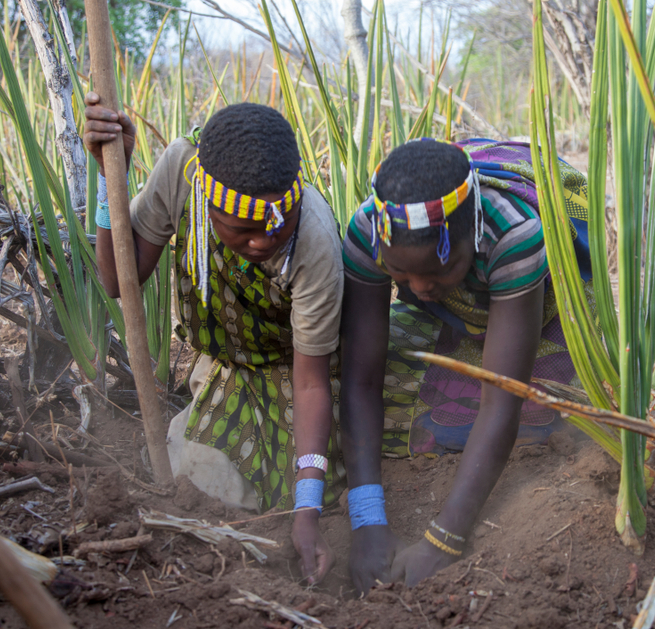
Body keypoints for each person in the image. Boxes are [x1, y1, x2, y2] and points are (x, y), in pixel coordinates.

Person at [83, 97, 345, 585]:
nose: (264, 243)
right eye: (244, 232)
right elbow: (119, 280)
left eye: (276, 228)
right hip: (228, 367)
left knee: (299, 489)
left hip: (299, 371)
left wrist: (306, 514)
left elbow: (311, 386)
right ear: (208, 204)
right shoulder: (183, 173)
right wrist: (108, 177)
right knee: (200, 480)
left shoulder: (313, 243)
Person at [339, 138, 591, 590]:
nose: (420, 286)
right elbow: (361, 379)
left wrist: (444, 542)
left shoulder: (514, 234)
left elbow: (501, 402)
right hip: (464, 312)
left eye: (440, 271)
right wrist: (366, 522)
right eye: (401, 274)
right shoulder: (371, 231)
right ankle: (462, 313)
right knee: (343, 388)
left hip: (547, 305)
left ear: (470, 234)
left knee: (570, 417)